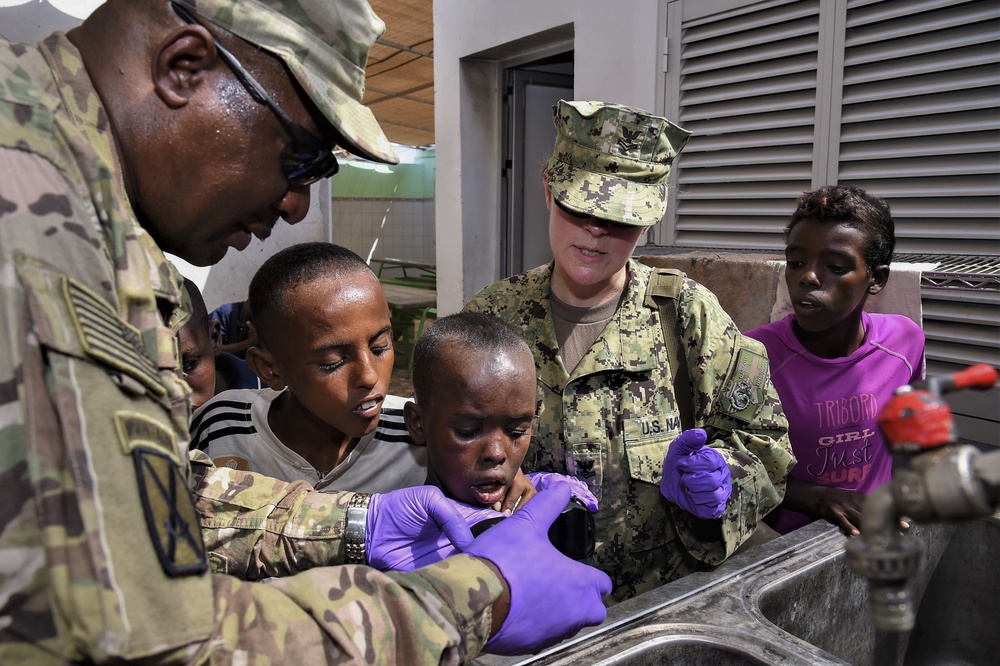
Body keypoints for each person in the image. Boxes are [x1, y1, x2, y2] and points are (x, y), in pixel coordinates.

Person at [0, 1, 612, 662]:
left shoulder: (67, 183)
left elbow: (143, 502)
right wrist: (475, 597)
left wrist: (357, 522)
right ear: (185, 67)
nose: (295, 204)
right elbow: (145, 640)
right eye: (299, 155)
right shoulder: (28, 208)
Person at [465, 100, 795, 603]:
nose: (596, 230)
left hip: (654, 608)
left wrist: (726, 479)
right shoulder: (492, 319)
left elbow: (765, 443)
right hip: (523, 598)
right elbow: (448, 451)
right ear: (550, 190)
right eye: (581, 206)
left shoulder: (686, 316)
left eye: (619, 217)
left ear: (647, 221)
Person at [745, 185, 925, 536]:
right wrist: (817, 497)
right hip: (784, 549)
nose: (808, 277)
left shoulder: (905, 341)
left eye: (835, 266)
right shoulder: (753, 356)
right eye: (795, 262)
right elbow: (733, 472)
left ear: (877, 279)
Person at [190, 242, 427, 493]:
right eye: (333, 362)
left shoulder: (419, 433)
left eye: (379, 346)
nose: (369, 376)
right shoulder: (221, 428)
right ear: (270, 369)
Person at [404, 311, 598, 514]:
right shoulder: (394, 538)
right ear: (418, 423)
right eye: (468, 431)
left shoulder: (548, 516)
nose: (496, 453)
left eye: (516, 431)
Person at [178, 277, 259, 409]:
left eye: (190, 364)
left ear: (215, 338)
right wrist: (249, 343)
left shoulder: (265, 397)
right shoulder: (226, 313)